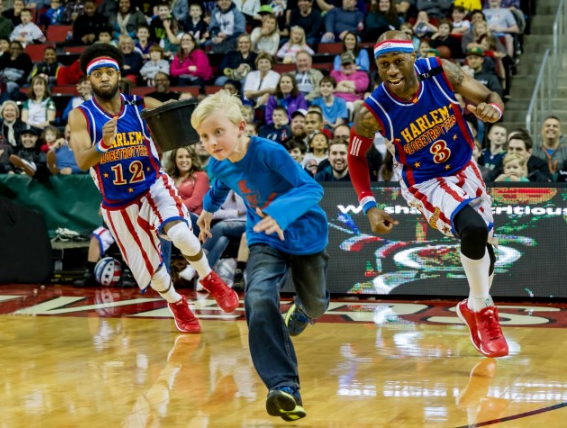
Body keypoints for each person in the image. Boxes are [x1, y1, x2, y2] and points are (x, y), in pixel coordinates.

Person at [347, 30, 509, 359]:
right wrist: (369, 205)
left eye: (397, 61)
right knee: (474, 229)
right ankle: (484, 311)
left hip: (465, 167)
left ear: (414, 57)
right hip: (425, 182)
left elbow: (490, 95)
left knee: (484, 252)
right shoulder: (371, 110)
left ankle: (472, 305)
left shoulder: (439, 71)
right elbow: (354, 156)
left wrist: (493, 110)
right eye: (383, 64)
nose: (391, 70)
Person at [68, 44, 239, 333]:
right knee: (152, 270)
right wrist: (103, 143)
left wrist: (213, 115)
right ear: (90, 81)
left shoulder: (140, 105)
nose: (105, 78)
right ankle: (176, 303)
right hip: (118, 203)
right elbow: (83, 160)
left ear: (119, 75)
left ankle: (209, 278)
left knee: (181, 232)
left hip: (152, 185)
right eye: (98, 74)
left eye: (110, 71)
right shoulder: (81, 116)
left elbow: (186, 119)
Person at [192, 89, 330, 422]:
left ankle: (301, 314)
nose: (211, 141)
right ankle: (283, 386)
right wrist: (208, 211)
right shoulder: (219, 163)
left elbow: (312, 189)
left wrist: (280, 213)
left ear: (241, 127)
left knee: (315, 304)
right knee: (256, 294)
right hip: (264, 237)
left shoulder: (270, 152)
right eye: (204, 136)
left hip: (305, 235)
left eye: (218, 132)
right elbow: (221, 185)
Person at [532, 116, 567, 180]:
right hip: (540, 186)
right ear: (542, 131)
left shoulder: (566, 150)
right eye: (548, 126)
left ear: (560, 132)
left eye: (555, 126)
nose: (551, 128)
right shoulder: (533, 150)